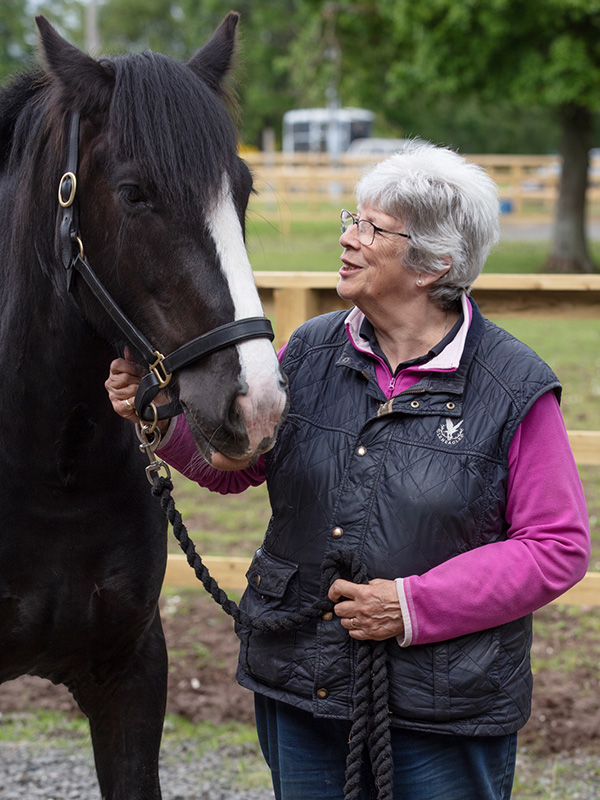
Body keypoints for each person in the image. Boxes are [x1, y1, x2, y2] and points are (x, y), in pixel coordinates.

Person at [105, 141, 590, 800]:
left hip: (445, 709)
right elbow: (238, 466)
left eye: (373, 229)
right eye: (351, 219)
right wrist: (161, 421)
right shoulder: (310, 350)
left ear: (435, 264)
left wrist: (413, 606)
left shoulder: (512, 384)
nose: (348, 238)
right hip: (301, 685)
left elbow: (556, 546)